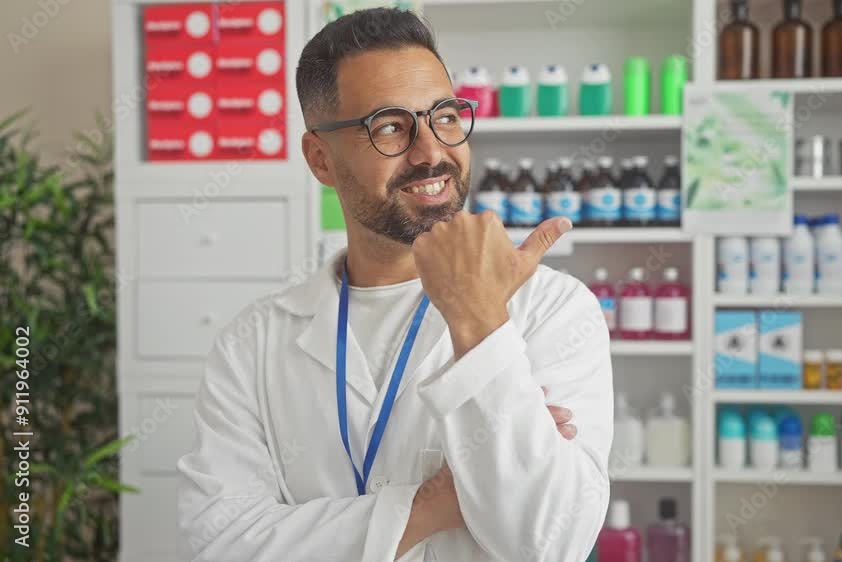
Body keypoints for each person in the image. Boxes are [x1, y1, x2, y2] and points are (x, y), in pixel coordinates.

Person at [177, 8, 613, 562]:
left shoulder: (552, 309)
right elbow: (217, 544)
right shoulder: (251, 345)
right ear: (321, 159)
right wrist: (434, 503)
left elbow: (550, 541)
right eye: (389, 127)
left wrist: (480, 323)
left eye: (447, 117)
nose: (432, 151)